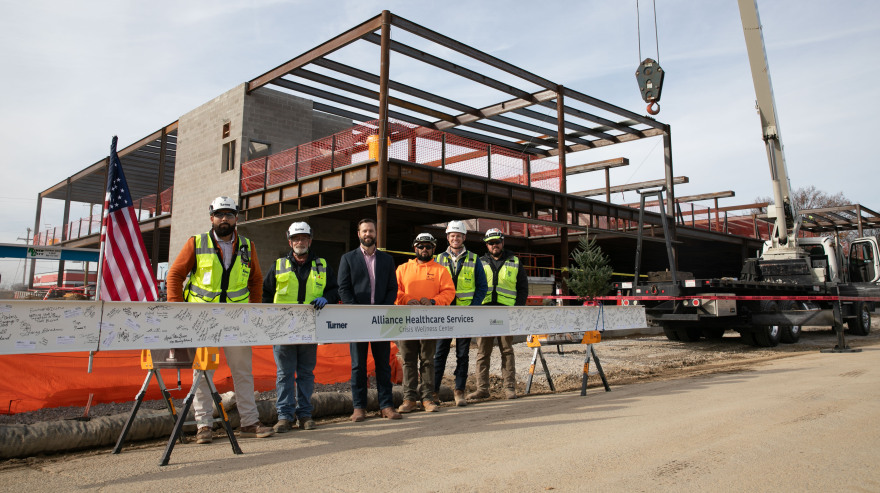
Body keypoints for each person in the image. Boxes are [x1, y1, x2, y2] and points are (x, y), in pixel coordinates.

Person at [166, 196, 274, 444]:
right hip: (203, 320)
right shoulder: (196, 243)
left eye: (229, 214)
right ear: (211, 218)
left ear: (236, 218)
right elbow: (175, 275)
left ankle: (249, 422)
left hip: (236, 319)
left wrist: (254, 312)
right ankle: (204, 425)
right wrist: (178, 311)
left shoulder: (247, 246)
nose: (224, 219)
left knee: (243, 372)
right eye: (219, 214)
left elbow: (256, 280)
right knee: (202, 372)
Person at [262, 221, 339, 433]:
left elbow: (335, 290)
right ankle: (284, 417)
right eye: (296, 238)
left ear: (310, 240)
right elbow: (266, 295)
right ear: (290, 242)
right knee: (284, 374)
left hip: (309, 328)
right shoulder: (278, 265)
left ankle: (305, 414)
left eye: (304, 238)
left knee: (305, 373)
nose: (300, 242)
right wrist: (270, 323)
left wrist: (327, 298)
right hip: (283, 329)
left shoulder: (322, 265)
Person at [337, 218, 402, 422]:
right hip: (357, 320)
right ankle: (359, 407)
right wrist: (357, 311)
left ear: (375, 233)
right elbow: (343, 288)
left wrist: (382, 309)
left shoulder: (387, 260)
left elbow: (392, 287)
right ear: (358, 234)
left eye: (371, 231)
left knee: (383, 364)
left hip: (380, 320)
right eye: (364, 231)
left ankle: (386, 406)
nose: (368, 234)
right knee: (358, 365)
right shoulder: (348, 258)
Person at [395, 232, 456, 413]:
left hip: (429, 323)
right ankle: (409, 399)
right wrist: (406, 299)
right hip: (407, 322)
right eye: (420, 246)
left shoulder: (441, 271)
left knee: (428, 360)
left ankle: (428, 398)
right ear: (415, 248)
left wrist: (434, 301)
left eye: (428, 246)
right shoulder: (402, 269)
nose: (424, 249)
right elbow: (394, 290)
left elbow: (449, 292)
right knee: (408, 361)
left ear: (433, 249)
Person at [467, 228, 529, 401]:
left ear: (502, 242)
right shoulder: (480, 262)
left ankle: (509, 388)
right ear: (487, 245)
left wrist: (517, 309)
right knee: (482, 352)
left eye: (497, 242)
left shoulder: (514, 261)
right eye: (491, 243)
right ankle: (482, 389)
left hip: (506, 312)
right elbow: (473, 286)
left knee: (507, 351)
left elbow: (522, 288)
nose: (494, 245)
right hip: (484, 312)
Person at [433, 220, 487, 407]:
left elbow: (482, 286)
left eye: (458, 235)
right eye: (452, 235)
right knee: (440, 353)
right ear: (448, 237)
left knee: (462, 354)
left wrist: (473, 307)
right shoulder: (438, 259)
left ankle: (459, 391)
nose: (455, 238)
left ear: (464, 237)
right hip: (445, 314)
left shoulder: (474, 259)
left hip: (464, 315)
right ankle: (434, 392)